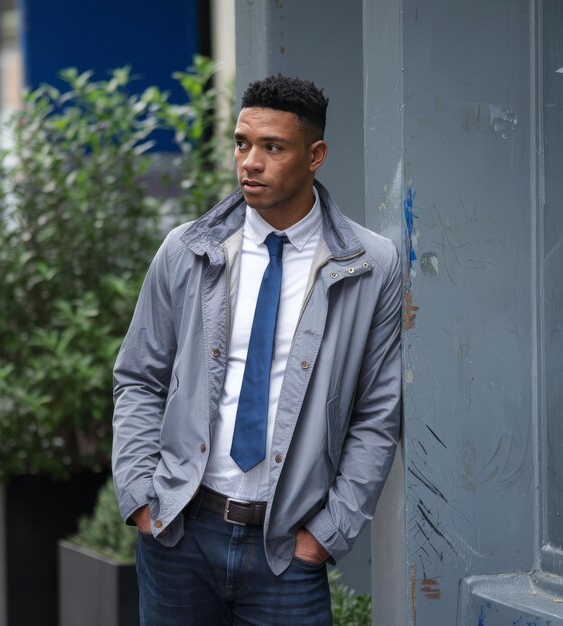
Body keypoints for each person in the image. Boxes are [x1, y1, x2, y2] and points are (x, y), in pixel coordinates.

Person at [112, 74, 401, 626]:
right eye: (242, 143)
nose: (250, 162)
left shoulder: (371, 265)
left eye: (273, 147)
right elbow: (140, 378)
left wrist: (327, 532)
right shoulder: (187, 250)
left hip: (285, 548)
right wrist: (142, 499)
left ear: (315, 155)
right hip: (179, 532)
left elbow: (377, 415)